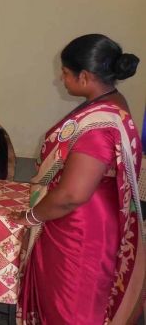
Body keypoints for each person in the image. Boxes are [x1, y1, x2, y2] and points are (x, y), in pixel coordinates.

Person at [11, 34, 145, 324]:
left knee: (70, 309)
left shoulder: (98, 124)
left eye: (65, 73)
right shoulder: (113, 102)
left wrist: (31, 216)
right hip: (95, 215)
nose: (61, 79)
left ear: (84, 76)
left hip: (80, 228)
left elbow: (72, 194)